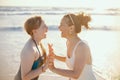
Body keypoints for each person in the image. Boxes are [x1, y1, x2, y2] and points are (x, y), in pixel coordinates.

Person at [48, 12, 96, 80]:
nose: (59, 27)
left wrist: (53, 69)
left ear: (71, 28)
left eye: (62, 25)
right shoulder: (68, 43)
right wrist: (55, 56)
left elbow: (75, 74)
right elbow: (70, 60)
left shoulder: (82, 47)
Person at [14, 16, 48, 80]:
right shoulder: (29, 50)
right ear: (35, 31)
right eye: (44, 27)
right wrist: (44, 67)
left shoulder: (39, 43)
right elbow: (25, 77)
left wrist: (50, 57)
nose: (47, 28)